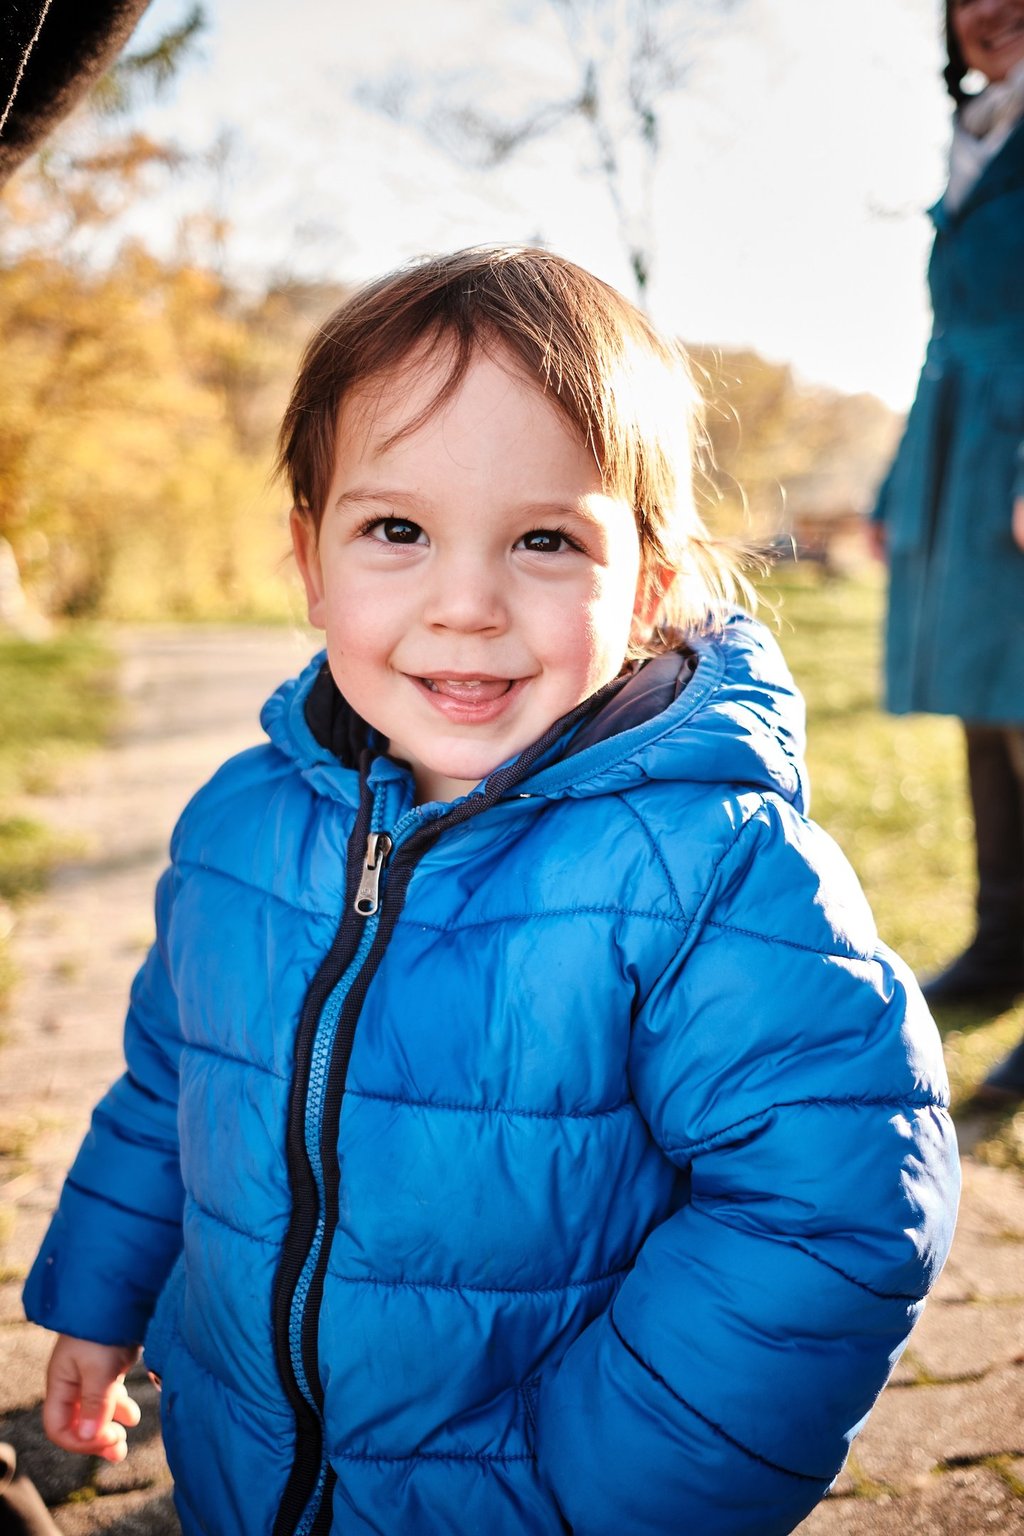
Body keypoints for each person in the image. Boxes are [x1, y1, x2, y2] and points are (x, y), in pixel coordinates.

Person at [23, 247, 959, 1536]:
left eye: (542, 539)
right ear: (309, 556)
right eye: (396, 531)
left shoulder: (709, 870)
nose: (464, 604)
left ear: (651, 584)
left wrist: (605, 1490)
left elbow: (832, 1206)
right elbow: (171, 1079)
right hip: (243, 1472)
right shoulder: (238, 823)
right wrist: (101, 1297)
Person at [870, 0, 1024, 1098]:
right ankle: (1000, 948)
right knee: (985, 699)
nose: (988, 10)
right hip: (960, 440)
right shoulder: (974, 139)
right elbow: (943, 331)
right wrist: (893, 479)